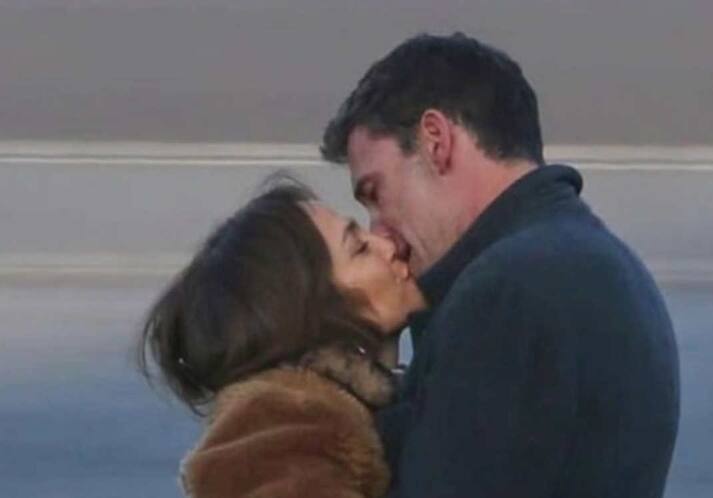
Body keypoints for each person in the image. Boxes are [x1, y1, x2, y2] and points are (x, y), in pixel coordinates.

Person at [321, 32, 680, 497]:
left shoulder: (505, 293)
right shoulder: (605, 267)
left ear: (436, 140)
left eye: (376, 193)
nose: (380, 232)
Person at [137, 178, 425, 498]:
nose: (388, 246)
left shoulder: (325, 411)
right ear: (309, 309)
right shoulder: (283, 430)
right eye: (359, 249)